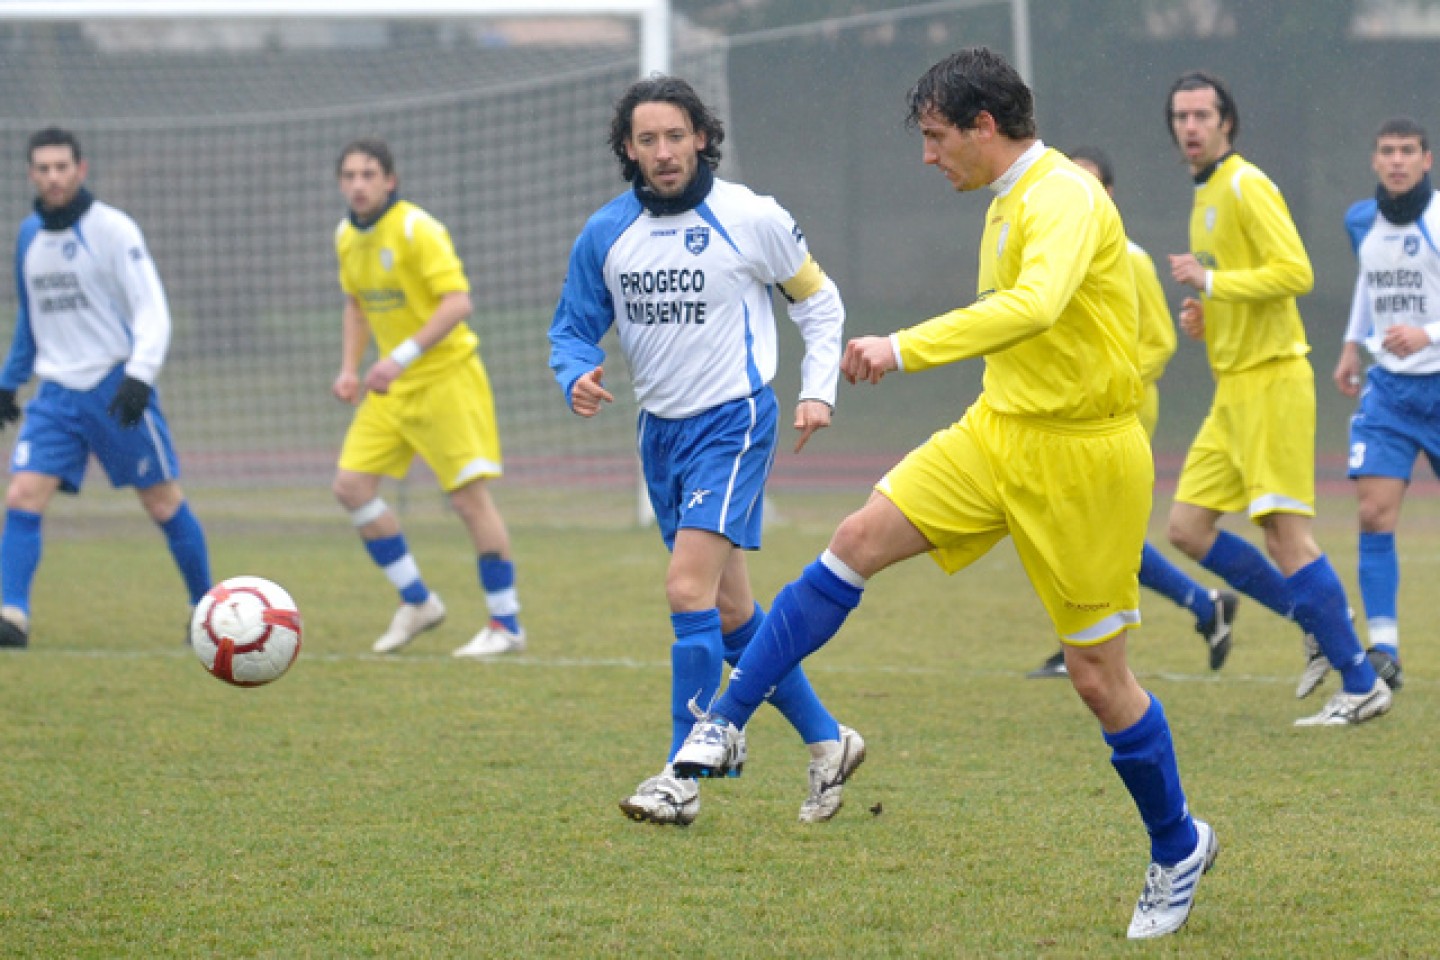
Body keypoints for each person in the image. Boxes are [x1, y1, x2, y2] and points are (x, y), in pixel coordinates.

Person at [675, 48, 1215, 940]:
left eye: (936, 137)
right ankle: (724, 723)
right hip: (997, 430)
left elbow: (1038, 307)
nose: (928, 157)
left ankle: (1177, 845)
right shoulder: (1005, 198)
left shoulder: (1069, 197)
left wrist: (903, 346)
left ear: (984, 127)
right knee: (855, 540)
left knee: (1097, 677)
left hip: (1084, 460)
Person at [549, 76, 863, 827]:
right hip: (661, 434)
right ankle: (829, 741)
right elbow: (570, 327)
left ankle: (680, 773)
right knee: (730, 612)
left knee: (686, 589)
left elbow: (819, 302)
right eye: (647, 140)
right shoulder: (606, 233)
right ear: (628, 149)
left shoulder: (748, 216)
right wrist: (574, 375)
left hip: (734, 422)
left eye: (676, 136)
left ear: (702, 137)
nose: (663, 152)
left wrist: (818, 389)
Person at [1163, 70, 1390, 725]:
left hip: (1272, 378)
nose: (1192, 126)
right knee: (1187, 527)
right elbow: (1242, 284)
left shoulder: (1245, 183)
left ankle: (1360, 681)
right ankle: (1314, 618)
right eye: (1181, 117)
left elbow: (1295, 271)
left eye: (1203, 115)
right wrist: (1210, 310)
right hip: (1232, 387)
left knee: (1286, 535)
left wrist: (1211, 279)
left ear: (1227, 122)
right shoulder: (1205, 194)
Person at [1027, 145, 1238, 680]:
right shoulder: (1056, 254)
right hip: (1072, 416)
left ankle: (1090, 642)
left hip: (1122, 414)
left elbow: (1160, 343)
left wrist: (1107, 388)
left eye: (1092, 183)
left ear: (1110, 194)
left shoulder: (1130, 256)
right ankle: (1198, 606)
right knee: (1082, 530)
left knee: (1093, 531)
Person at [0, 127, 213, 649]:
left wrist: (140, 374)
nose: (53, 177)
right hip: (55, 394)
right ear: (31, 174)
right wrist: (8, 383)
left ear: (81, 169)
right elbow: (32, 319)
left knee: (161, 503)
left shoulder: (113, 229)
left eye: (62, 167)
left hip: (115, 386)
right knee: (23, 494)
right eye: (43, 168)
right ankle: (11, 616)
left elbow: (151, 306)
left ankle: (207, 609)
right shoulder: (29, 236)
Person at [332, 138, 524, 659]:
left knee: (467, 499)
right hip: (390, 387)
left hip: (445, 377)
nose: (358, 184)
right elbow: (355, 305)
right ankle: (418, 602)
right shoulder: (346, 237)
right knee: (351, 486)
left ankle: (505, 623)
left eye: (369, 174)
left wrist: (399, 357)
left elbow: (458, 303)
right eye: (349, 175)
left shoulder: (418, 228)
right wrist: (350, 368)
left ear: (389, 180)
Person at [1331, 116, 1440, 693]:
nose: (1396, 160)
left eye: (1407, 151)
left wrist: (1430, 333)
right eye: (1386, 151)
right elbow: (1369, 283)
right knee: (1373, 512)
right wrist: (1353, 344)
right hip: (1392, 391)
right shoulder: (1360, 220)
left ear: (1427, 160)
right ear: (1375, 160)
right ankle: (1385, 651)